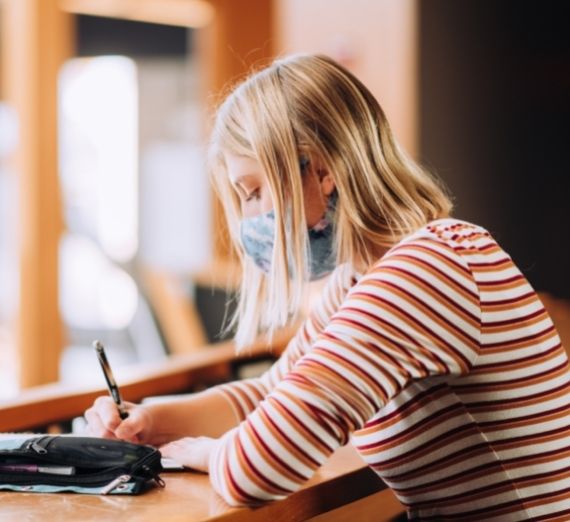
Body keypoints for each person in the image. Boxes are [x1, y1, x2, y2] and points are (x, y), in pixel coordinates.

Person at [84, 54, 570, 520]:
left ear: (324, 169)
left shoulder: (425, 270)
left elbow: (255, 469)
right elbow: (270, 395)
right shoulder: (362, 278)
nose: (251, 218)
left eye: (254, 191)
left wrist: (206, 453)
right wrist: (150, 420)